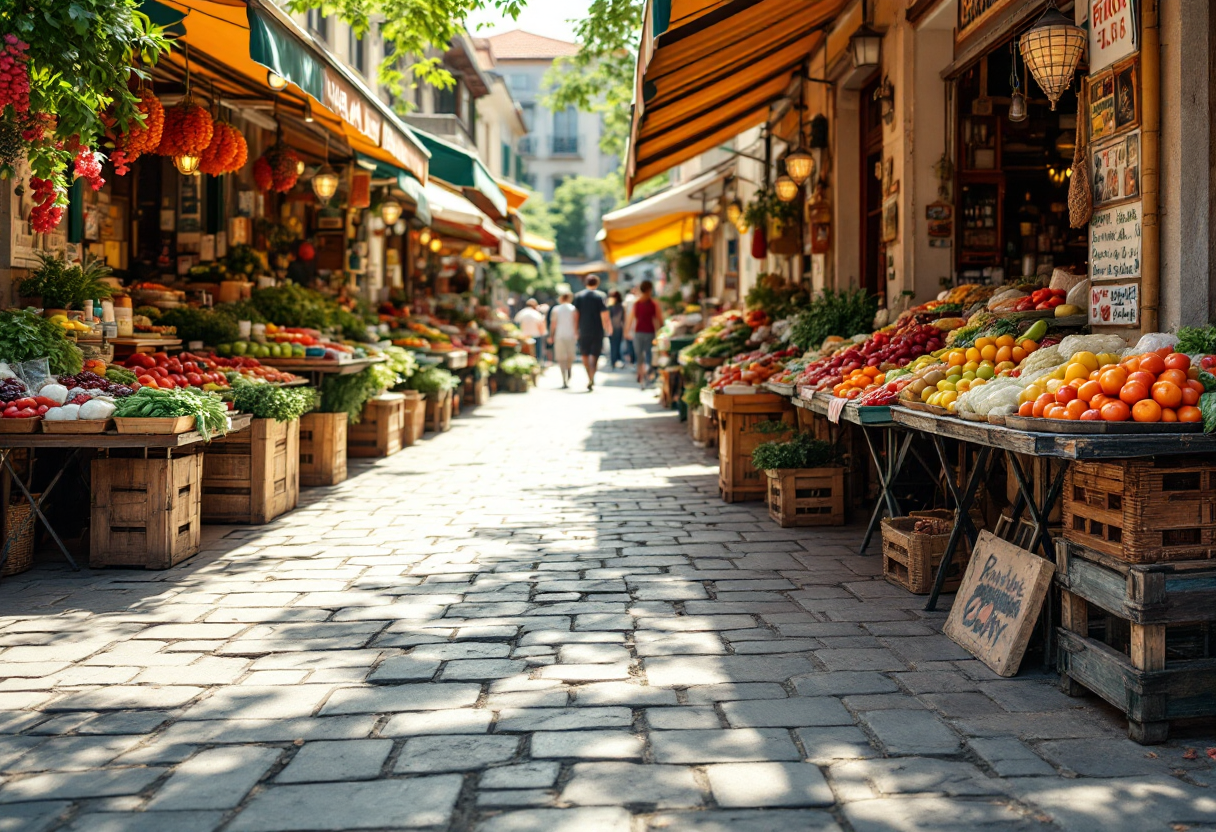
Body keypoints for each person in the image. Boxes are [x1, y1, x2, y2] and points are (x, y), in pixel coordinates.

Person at [572, 275, 612, 391]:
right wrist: (608, 327)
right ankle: (592, 376)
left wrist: (575, 329)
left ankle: (588, 374)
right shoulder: (601, 296)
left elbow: (576, 315)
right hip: (597, 330)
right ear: (597, 283)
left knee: (584, 354)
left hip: (583, 329)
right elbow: (604, 314)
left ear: (585, 283)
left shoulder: (579, 296)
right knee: (595, 355)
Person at [624, 279, 664, 387]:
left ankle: (643, 376)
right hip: (648, 332)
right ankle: (645, 377)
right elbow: (659, 319)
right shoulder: (652, 304)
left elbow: (630, 319)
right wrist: (662, 331)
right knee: (647, 356)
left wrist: (627, 330)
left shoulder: (638, 304)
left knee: (642, 356)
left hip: (641, 333)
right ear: (649, 290)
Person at [548, 292, 578, 388]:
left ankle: (564, 378)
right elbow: (576, 322)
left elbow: (553, 324)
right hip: (571, 335)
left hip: (559, 335)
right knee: (570, 356)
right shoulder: (573, 309)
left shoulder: (556, 309)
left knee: (561, 358)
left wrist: (551, 335)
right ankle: (569, 369)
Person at [513, 299, 547, 365]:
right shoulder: (536, 314)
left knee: (524, 355)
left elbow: (516, 324)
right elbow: (540, 326)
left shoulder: (521, 313)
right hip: (535, 336)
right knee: (536, 355)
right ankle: (537, 366)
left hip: (523, 337)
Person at [607, 291, 625, 369]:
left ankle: (614, 361)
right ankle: (616, 360)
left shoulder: (611, 306)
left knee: (613, 345)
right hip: (618, 328)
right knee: (616, 345)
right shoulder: (620, 306)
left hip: (613, 328)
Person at [622, 287, 637, 366]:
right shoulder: (635, 299)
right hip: (635, 323)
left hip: (630, 322)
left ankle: (632, 360)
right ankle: (633, 360)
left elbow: (625, 311)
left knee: (630, 342)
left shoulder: (629, 299)